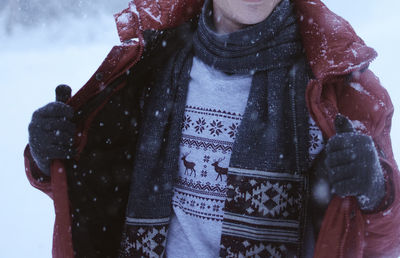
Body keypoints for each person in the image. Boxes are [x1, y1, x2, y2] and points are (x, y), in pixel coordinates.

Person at [25, 0, 400, 257]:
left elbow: (385, 238)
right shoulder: (151, 63)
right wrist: (51, 156)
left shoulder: (336, 87)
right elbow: (97, 194)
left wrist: (375, 190)